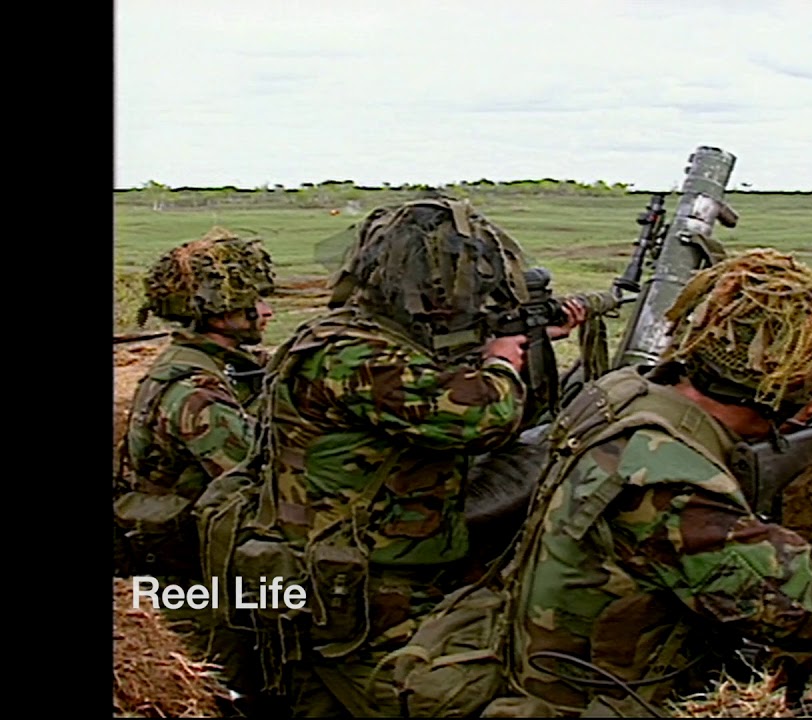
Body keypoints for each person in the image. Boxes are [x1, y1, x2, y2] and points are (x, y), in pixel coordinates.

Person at [496, 248, 812, 717]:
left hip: (552, 659)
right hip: (601, 700)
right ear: (773, 394)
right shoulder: (669, 482)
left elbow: (743, 444)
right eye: (811, 390)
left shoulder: (626, 394)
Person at [244, 198, 585, 717]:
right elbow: (482, 419)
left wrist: (527, 339)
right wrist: (502, 362)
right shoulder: (355, 355)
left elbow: (425, 380)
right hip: (362, 590)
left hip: (350, 574)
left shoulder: (349, 333)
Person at [112, 226, 277, 712]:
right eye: (253, 301)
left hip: (186, 564)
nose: (266, 311)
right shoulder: (198, 390)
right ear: (218, 310)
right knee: (234, 692)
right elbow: (250, 479)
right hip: (194, 578)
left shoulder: (198, 365)